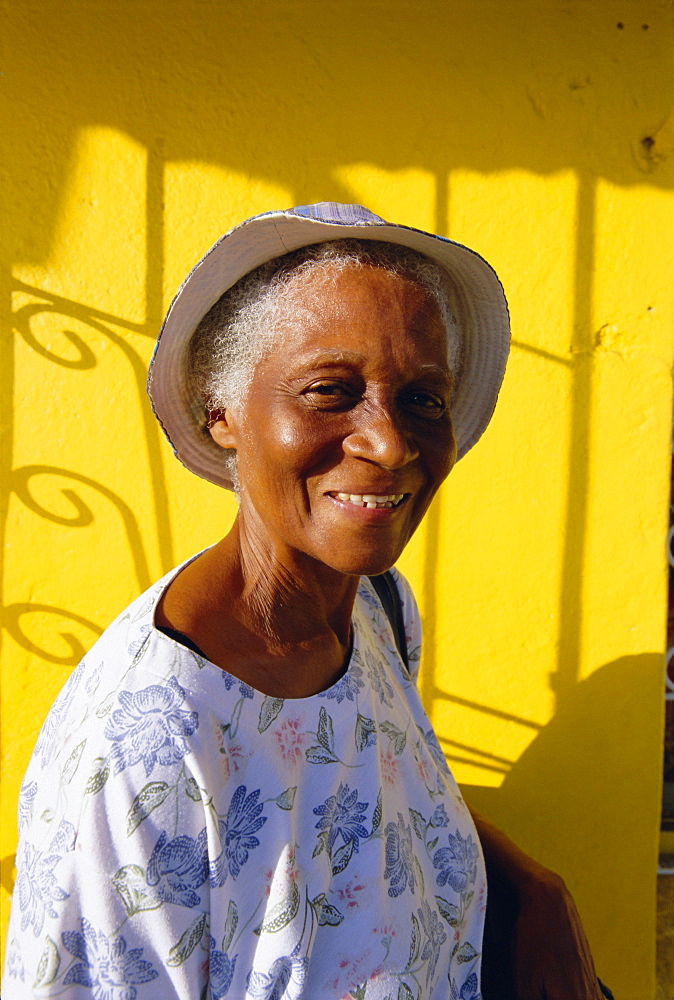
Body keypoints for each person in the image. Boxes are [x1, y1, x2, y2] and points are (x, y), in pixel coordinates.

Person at [3, 203, 607, 999]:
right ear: (224, 415)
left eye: (424, 398)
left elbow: (380, 805)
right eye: (330, 390)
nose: (389, 443)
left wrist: (531, 888)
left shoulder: (376, 610)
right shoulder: (149, 747)